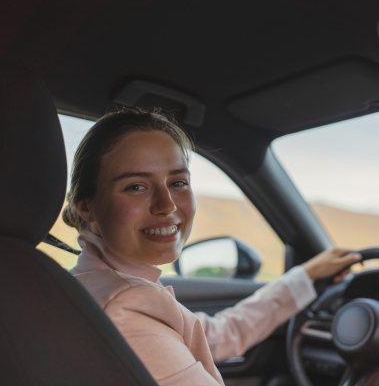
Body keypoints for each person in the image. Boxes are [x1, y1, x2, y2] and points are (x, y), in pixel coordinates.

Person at [63, 108, 362, 386]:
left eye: (178, 182)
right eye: (136, 186)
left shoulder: (79, 286)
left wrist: (305, 275)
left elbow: (218, 335)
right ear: (86, 207)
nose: (167, 205)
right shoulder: (127, 308)